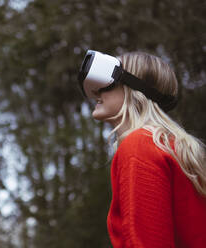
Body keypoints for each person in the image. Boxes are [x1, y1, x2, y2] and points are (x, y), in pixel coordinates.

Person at [79, 50, 206, 247]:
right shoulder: (173, 147)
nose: (96, 92)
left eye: (106, 82)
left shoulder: (140, 145)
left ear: (133, 88)